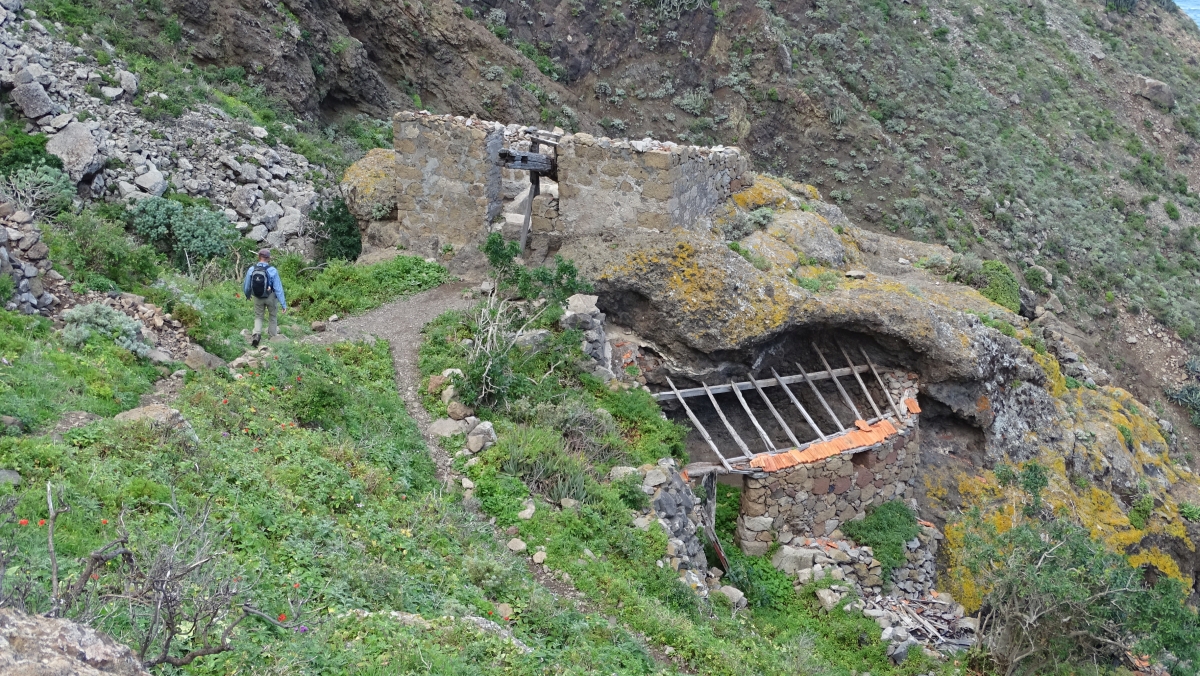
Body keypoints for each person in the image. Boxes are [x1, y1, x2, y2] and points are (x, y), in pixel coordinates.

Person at [243, 248, 287, 347]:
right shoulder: (272, 270)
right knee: (272, 316)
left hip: (258, 297)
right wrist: (283, 304)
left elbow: (247, 285)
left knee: (258, 316)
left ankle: (257, 335)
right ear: (269, 258)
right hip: (270, 296)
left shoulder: (252, 269)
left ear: (259, 257)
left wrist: (248, 294)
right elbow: (278, 288)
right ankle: (272, 338)